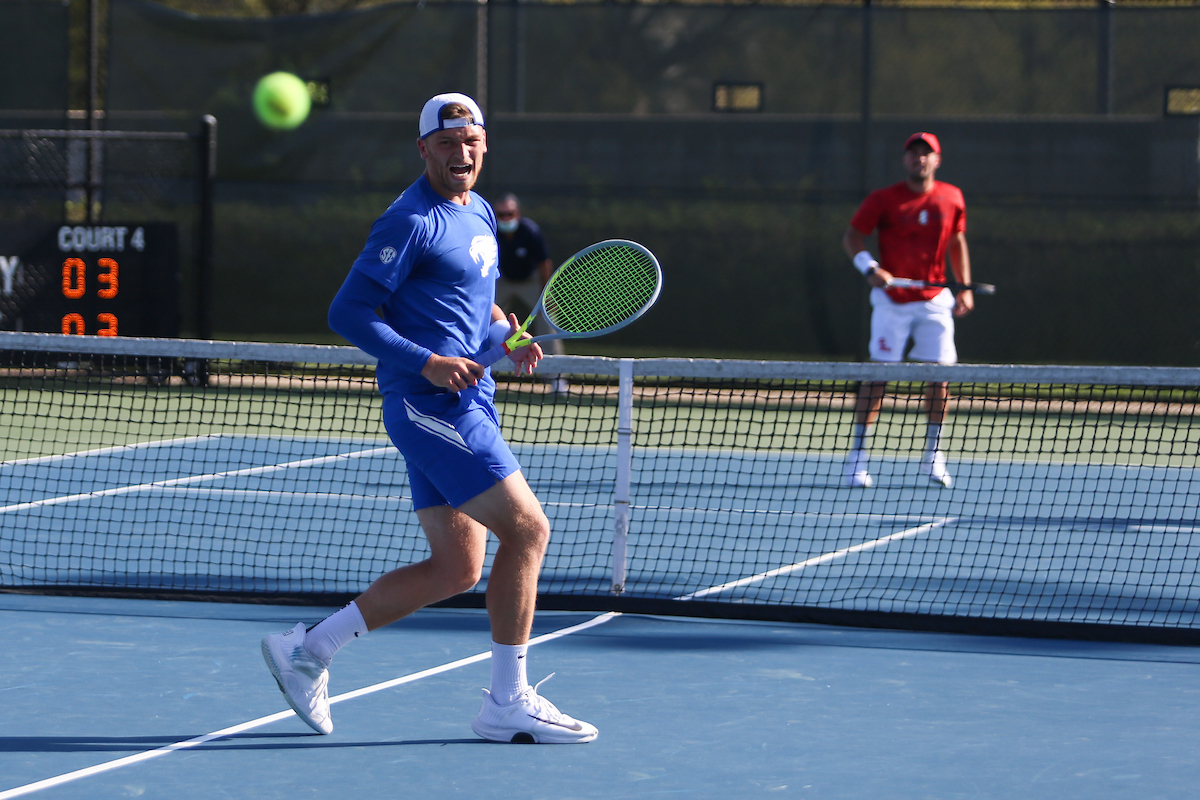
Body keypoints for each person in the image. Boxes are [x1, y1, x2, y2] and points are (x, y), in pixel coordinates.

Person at [260, 92, 598, 744]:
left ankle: (307, 651)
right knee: (529, 529)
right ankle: (507, 702)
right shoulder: (407, 221)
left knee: (457, 569)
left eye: (470, 141)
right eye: (446, 144)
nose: (460, 153)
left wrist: (507, 335)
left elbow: (478, 305)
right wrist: (430, 363)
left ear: (485, 145)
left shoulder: (478, 213)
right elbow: (348, 313)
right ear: (424, 150)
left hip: (467, 401)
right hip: (429, 406)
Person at [841, 131, 974, 489]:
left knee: (940, 378)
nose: (919, 159)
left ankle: (933, 455)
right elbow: (852, 237)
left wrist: (963, 287)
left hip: (934, 300)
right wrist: (871, 269)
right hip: (892, 300)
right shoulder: (883, 199)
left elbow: (957, 241)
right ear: (905, 160)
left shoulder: (952, 198)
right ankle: (857, 458)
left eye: (926, 154)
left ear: (937, 160)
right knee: (878, 376)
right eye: (913, 153)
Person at [492, 192, 569, 394]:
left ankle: (557, 378)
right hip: (503, 280)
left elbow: (544, 263)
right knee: (482, 318)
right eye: (501, 214)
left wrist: (547, 294)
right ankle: (482, 370)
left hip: (531, 280)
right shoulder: (491, 231)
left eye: (509, 214)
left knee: (548, 323)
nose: (505, 218)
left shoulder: (530, 231)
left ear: (517, 213)